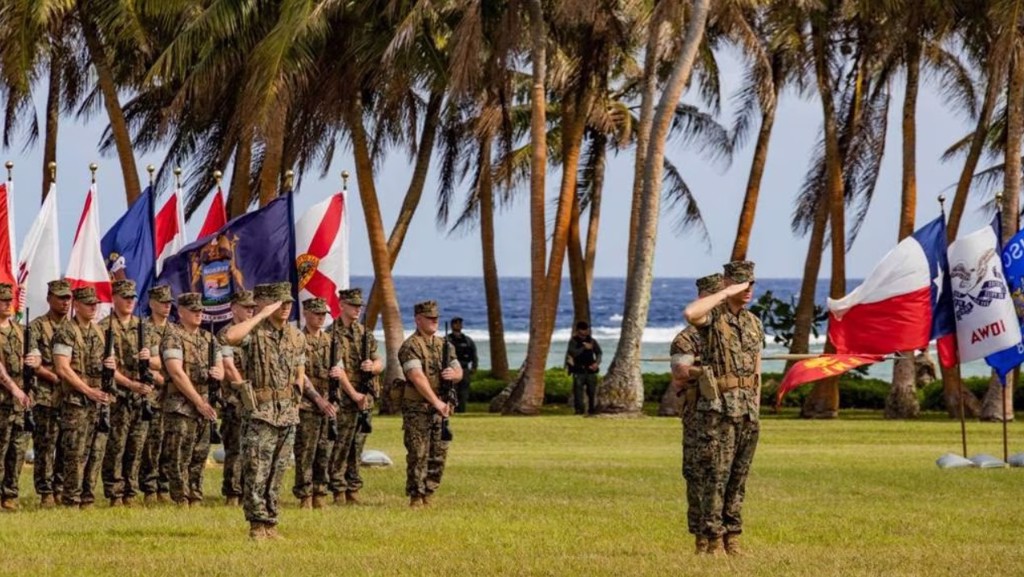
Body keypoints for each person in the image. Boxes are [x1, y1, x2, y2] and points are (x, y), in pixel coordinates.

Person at [683, 261, 764, 557]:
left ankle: (733, 537)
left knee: (738, 477)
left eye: (751, 284)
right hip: (718, 410)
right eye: (742, 285)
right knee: (715, 476)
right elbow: (691, 313)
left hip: (746, 411)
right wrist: (726, 291)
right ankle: (711, 539)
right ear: (729, 284)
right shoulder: (713, 318)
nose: (748, 291)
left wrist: (756, 408)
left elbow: (757, 369)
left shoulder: (753, 322)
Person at [223, 281, 309, 539]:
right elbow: (230, 337)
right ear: (266, 304)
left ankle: (271, 522)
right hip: (260, 412)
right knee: (256, 470)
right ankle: (256, 525)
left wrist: (298, 392)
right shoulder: (254, 332)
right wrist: (260, 314)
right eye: (279, 303)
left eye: (288, 303)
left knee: (277, 471)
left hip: (287, 413)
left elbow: (300, 368)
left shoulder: (296, 335)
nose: (285, 307)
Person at [669, 273, 723, 553]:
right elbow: (679, 374)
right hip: (699, 415)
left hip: (728, 415)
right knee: (698, 474)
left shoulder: (729, 335)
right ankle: (701, 537)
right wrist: (703, 372)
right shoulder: (687, 338)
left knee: (724, 475)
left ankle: (724, 536)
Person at [52, 286, 115, 508]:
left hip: (99, 403)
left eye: (95, 304)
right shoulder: (66, 331)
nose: (93, 308)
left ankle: (87, 499)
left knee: (96, 453)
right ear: (76, 305)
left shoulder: (100, 332)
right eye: (88, 304)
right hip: (76, 403)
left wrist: (111, 366)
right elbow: (62, 368)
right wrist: (88, 391)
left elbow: (109, 364)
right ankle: (71, 500)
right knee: (75, 454)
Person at [159, 292, 223, 507]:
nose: (199, 314)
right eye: (194, 310)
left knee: (199, 453)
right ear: (181, 312)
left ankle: (195, 495)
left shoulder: (208, 339)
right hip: (181, 406)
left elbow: (221, 368)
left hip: (204, 404)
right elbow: (177, 373)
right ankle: (181, 498)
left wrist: (218, 374)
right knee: (178, 455)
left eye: (200, 310)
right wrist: (198, 402)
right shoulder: (172, 337)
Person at [398, 300, 461, 507]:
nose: (434, 322)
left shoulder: (444, 345)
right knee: (418, 452)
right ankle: (416, 496)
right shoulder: (410, 346)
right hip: (418, 408)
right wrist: (436, 402)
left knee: (439, 452)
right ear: (418, 319)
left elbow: (457, 369)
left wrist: (455, 374)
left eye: (436, 319)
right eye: (429, 318)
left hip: (440, 407)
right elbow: (417, 376)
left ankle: (430, 492)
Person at [100, 280, 155, 507]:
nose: (130, 301)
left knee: (137, 445)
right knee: (116, 445)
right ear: (115, 299)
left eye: (132, 297)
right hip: (117, 395)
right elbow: (107, 367)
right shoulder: (104, 327)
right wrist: (131, 385)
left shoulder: (143, 327)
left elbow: (157, 362)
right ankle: (115, 492)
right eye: (125, 297)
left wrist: (148, 361)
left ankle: (131, 492)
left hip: (140, 397)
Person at [327, 288, 382, 505]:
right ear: (342, 305)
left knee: (357, 445)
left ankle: (353, 487)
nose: (357, 309)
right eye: (353, 305)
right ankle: (338, 489)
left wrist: (373, 367)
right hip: (345, 397)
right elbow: (337, 369)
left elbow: (380, 361)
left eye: (360, 306)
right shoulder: (332, 334)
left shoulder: (364, 333)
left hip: (364, 398)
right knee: (340, 445)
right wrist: (354, 394)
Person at [28, 279, 72, 508]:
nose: (65, 302)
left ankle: (60, 488)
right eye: (60, 297)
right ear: (49, 299)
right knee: (46, 445)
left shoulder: (74, 327)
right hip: (46, 394)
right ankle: (45, 492)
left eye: (67, 298)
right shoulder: (36, 327)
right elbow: (34, 363)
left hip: (70, 396)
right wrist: (55, 376)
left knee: (67, 444)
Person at [293, 297, 340, 509]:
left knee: (324, 450)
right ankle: (305, 495)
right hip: (307, 404)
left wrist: (333, 395)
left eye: (324, 315)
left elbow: (338, 370)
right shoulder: (298, 339)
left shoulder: (330, 341)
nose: (321, 318)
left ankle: (320, 492)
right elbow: (300, 375)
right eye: (317, 314)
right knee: (306, 451)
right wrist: (318, 399)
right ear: (307, 314)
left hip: (328, 404)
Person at [0, 283, 41, 510]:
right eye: (3, 300)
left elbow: (36, 353)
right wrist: (14, 388)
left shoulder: (20, 330)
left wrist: (35, 360)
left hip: (21, 402)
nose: (7, 303)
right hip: (4, 399)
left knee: (17, 449)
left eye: (10, 300)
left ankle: (10, 495)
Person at [217, 289, 257, 506]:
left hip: (256, 401)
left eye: (252, 307)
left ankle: (248, 492)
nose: (250, 310)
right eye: (246, 307)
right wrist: (245, 391)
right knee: (235, 448)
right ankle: (233, 494)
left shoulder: (257, 334)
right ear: (234, 308)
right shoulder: (227, 334)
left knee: (252, 450)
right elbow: (229, 367)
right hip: (234, 400)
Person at [140, 284, 177, 504]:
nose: (166, 306)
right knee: (151, 445)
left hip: (173, 396)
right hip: (153, 396)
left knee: (170, 444)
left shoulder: (175, 330)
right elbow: (144, 363)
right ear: (152, 303)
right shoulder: (143, 329)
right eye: (162, 302)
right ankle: (149, 488)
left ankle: (165, 486)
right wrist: (167, 370)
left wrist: (161, 364)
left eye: (168, 302)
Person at [564, 321, 602, 415]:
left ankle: (592, 409)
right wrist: (583, 348)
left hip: (590, 369)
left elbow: (599, 352)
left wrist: (596, 363)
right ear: (578, 331)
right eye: (582, 331)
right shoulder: (573, 341)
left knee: (592, 391)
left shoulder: (592, 341)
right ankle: (579, 410)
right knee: (578, 392)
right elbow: (572, 353)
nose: (584, 333)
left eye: (586, 330)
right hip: (578, 369)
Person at [447, 317, 478, 413]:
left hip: (464, 369)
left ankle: (462, 410)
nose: (458, 325)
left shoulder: (467, 340)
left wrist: (474, 367)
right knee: (452, 390)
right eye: (456, 323)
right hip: (451, 369)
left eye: (460, 323)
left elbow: (473, 354)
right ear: (452, 325)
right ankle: (452, 410)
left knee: (463, 391)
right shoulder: (447, 339)